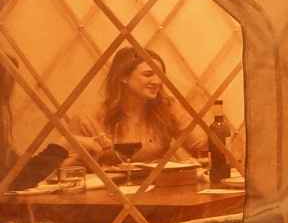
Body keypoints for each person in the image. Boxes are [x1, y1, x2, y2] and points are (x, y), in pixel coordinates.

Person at [71, 46, 208, 164]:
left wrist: (216, 136)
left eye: (160, 75)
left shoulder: (167, 108)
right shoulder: (89, 118)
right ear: (123, 77)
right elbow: (70, 169)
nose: (157, 81)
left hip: (157, 189)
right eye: (148, 75)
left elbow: (201, 147)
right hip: (109, 191)